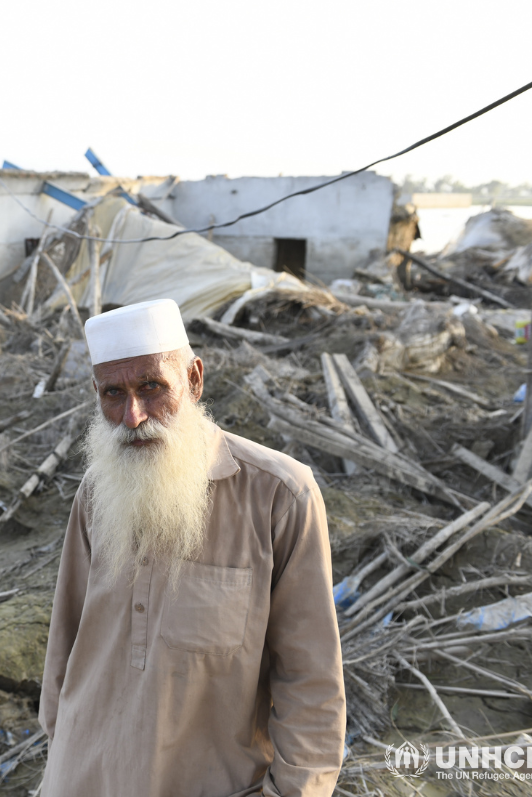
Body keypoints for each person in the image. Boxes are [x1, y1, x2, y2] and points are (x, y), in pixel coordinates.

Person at [39, 299, 345, 797]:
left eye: (152, 388)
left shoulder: (280, 496)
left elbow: (310, 681)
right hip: (82, 776)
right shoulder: (97, 492)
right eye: (112, 394)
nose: (133, 417)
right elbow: (66, 640)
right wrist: (58, 752)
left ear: (195, 379)